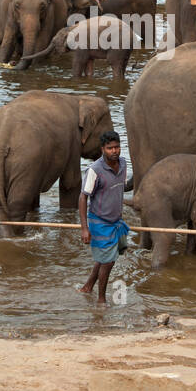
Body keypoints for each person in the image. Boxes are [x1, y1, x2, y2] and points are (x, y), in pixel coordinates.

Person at [78, 130, 129, 305]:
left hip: (116, 221)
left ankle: (88, 287)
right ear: (102, 149)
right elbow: (83, 197)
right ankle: (101, 300)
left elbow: (121, 187)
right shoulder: (95, 170)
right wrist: (84, 228)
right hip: (99, 221)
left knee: (106, 257)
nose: (114, 151)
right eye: (110, 148)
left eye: (117, 147)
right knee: (108, 262)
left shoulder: (123, 164)